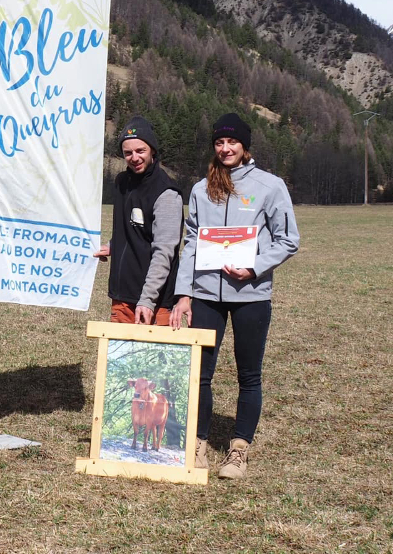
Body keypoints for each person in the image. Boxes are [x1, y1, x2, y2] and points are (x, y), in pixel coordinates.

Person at [170, 112, 299, 479]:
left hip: (252, 295)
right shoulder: (200, 189)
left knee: (249, 375)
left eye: (232, 142)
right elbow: (192, 241)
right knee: (201, 373)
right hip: (207, 294)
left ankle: (238, 450)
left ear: (245, 147)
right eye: (219, 143)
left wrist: (255, 267)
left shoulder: (270, 186)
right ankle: (197, 443)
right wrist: (184, 293)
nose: (225, 148)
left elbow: (288, 240)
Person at [93, 116, 183, 326]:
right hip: (122, 296)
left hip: (155, 301)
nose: (134, 157)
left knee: (154, 358)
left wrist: (148, 299)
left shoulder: (166, 193)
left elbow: (164, 252)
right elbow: (130, 229)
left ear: (152, 150)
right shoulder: (122, 183)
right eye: (128, 153)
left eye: (140, 151)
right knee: (121, 359)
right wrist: (112, 246)